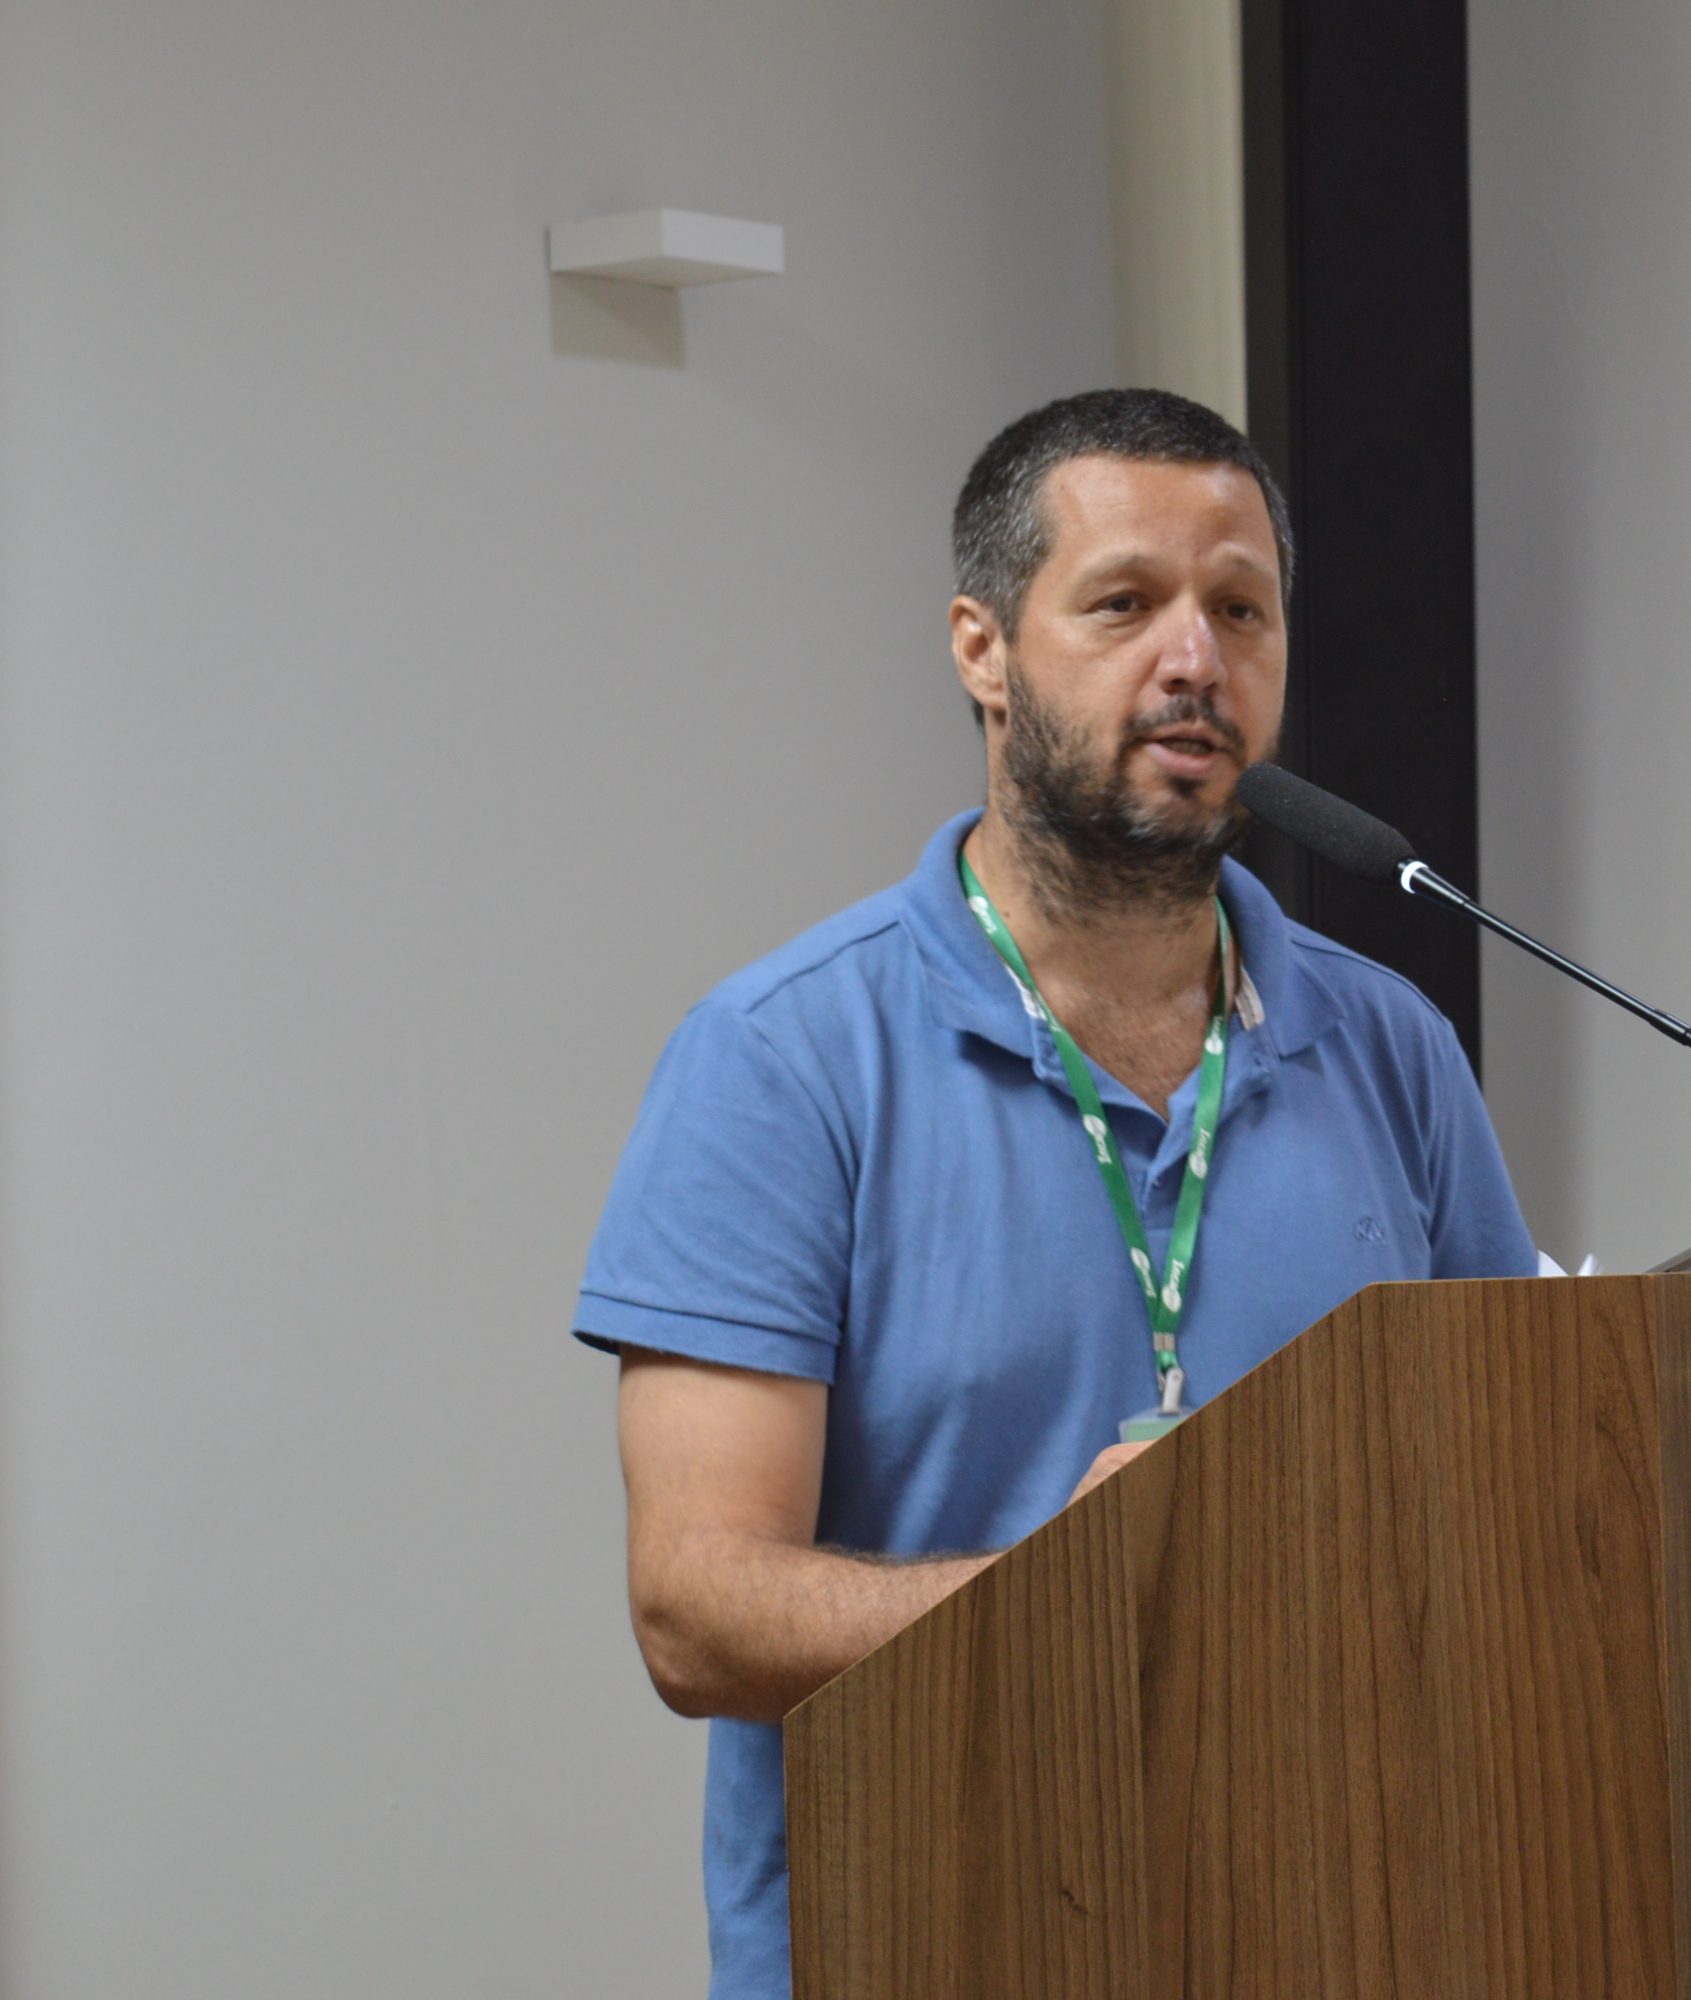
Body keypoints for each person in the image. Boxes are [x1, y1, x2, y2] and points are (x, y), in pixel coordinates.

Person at [574, 388, 1538, 1997]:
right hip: (932, 1935)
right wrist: (1080, 1600)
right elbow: (695, 1611)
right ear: (983, 649)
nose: (1195, 658)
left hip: (1337, 1932)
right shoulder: (783, 1057)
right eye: (1124, 603)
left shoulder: (1391, 1048)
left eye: (1242, 610)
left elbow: (1502, 1495)